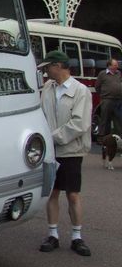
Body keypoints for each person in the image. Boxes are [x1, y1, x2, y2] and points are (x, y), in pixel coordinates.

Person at [38, 50, 92, 256]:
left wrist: (52, 136)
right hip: (50, 151)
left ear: (58, 66)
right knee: (52, 192)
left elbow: (80, 124)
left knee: (73, 194)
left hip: (70, 151)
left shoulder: (81, 91)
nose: (46, 72)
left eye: (48, 68)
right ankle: (53, 234)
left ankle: (77, 237)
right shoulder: (48, 88)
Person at [94, 58, 122, 138]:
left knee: (119, 120)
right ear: (109, 66)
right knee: (105, 120)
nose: (117, 66)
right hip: (107, 99)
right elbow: (97, 86)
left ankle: (118, 138)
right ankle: (103, 137)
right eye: (115, 65)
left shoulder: (118, 73)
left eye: (117, 65)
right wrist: (104, 95)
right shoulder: (102, 74)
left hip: (118, 100)